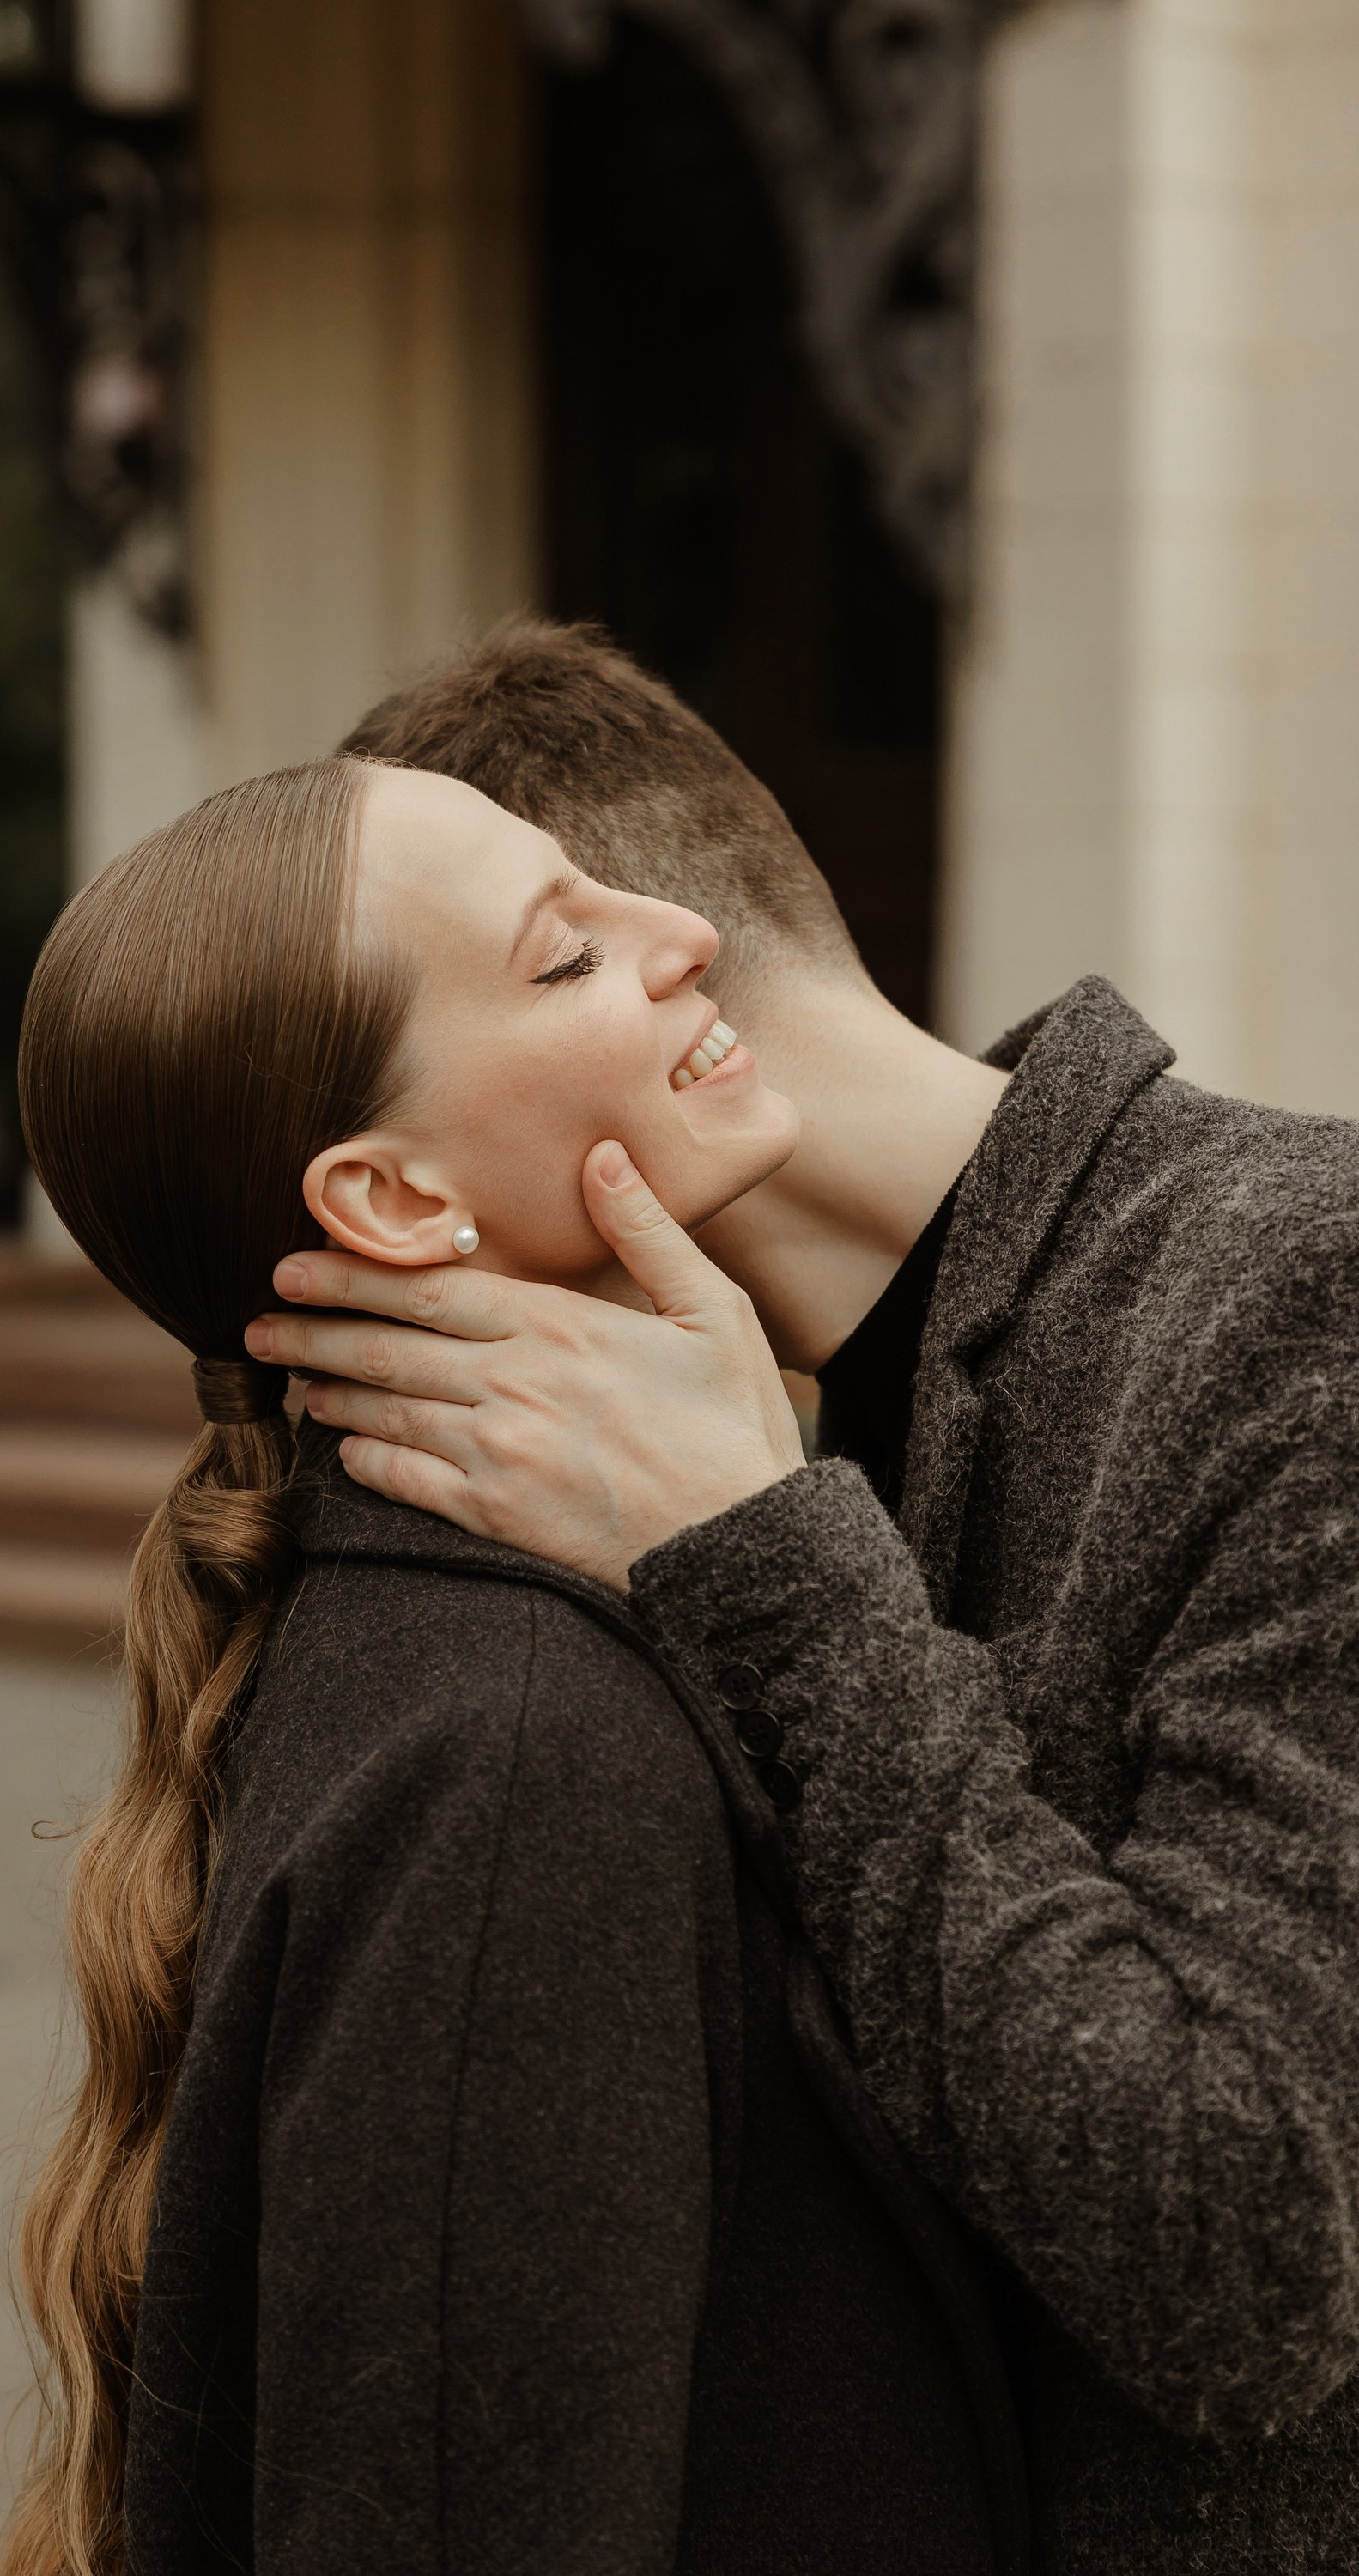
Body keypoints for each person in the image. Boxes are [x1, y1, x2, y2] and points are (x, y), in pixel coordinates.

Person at [245, 620, 1359, 2573]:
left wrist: (772, 1574)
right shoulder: (712, 1437)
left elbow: (1244, 2260)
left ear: (669, 956)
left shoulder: (1301, 1294)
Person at [0, 756, 1023, 2576]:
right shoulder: (526, 1750)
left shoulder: (497, 1635)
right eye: (562, 957)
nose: (687, 931)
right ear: (389, 1201)